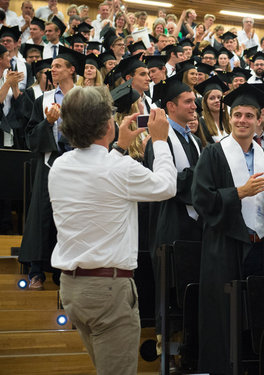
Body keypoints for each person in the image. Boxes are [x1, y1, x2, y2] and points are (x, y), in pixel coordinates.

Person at [49, 85, 176, 375]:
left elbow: (102, 177)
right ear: (108, 124)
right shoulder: (118, 169)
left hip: (72, 288)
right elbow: (167, 186)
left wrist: (118, 147)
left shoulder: (59, 165)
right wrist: (160, 141)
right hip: (108, 290)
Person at [192, 83, 264, 375]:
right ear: (230, 117)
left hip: (262, 247)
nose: (242, 120)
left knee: (259, 316)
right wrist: (238, 192)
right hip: (225, 247)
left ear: (258, 119)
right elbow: (201, 199)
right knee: (224, 319)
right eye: (237, 114)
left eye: (249, 115)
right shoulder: (213, 154)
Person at [19, 46, 86, 289]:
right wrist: (48, 123)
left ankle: (64, 271)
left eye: (58, 66)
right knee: (42, 214)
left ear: (71, 70)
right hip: (50, 163)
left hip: (80, 164)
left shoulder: (86, 98)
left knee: (73, 216)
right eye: (52, 67)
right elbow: (30, 139)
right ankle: (36, 270)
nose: (53, 70)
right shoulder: (43, 100)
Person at [146, 75, 203, 338]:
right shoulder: (159, 138)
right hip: (170, 224)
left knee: (190, 291)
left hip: (194, 226)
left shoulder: (192, 138)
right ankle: (166, 347)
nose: (195, 106)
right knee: (170, 292)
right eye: (188, 101)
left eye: (194, 101)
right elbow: (165, 181)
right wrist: (203, 180)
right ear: (171, 107)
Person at [195, 75, 230, 143]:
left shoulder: (230, 121)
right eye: (212, 98)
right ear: (205, 102)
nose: (217, 100)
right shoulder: (202, 123)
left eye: (219, 97)